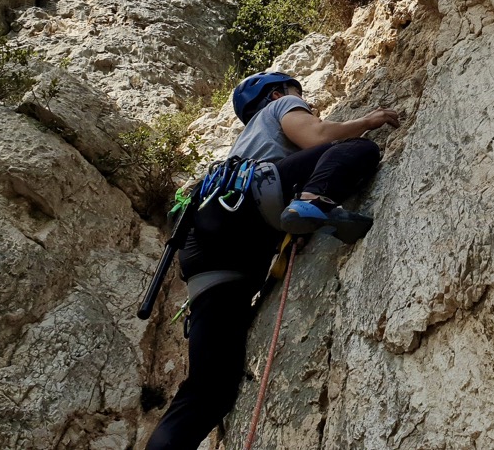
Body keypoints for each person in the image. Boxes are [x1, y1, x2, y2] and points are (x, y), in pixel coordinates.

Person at [145, 71, 399, 450]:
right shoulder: (281, 105)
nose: (307, 104)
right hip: (247, 210)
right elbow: (317, 137)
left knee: (210, 390)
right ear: (277, 94)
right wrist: (368, 121)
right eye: (301, 96)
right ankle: (312, 202)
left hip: (207, 252)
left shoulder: (245, 143)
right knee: (357, 149)